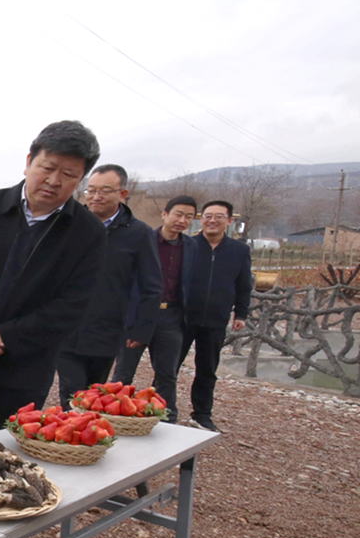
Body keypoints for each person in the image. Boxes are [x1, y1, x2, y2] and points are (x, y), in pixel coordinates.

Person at [0, 120, 107, 434]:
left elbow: (73, 305)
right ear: (28, 162)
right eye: (47, 167)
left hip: (26, 362)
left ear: (81, 179)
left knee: (14, 448)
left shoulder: (87, 232)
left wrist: (5, 337)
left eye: (68, 175)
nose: (54, 181)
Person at [54, 164, 162, 406]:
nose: (95, 197)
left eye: (104, 191)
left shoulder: (138, 233)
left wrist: (141, 328)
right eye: (90, 191)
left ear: (122, 194)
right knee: (71, 392)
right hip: (66, 324)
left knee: (95, 392)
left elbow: (151, 285)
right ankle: (69, 437)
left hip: (108, 327)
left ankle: (89, 435)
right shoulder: (69, 224)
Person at [112, 195, 199, 422]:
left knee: (167, 373)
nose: (182, 220)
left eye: (189, 216)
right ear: (165, 214)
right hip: (139, 314)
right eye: (178, 214)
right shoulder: (144, 239)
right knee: (124, 371)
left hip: (171, 315)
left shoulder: (191, 246)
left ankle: (166, 418)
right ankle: (112, 414)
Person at [179, 200, 252, 432]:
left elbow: (243, 285)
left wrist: (240, 313)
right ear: (201, 219)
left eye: (219, 216)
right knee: (169, 366)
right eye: (208, 216)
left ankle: (201, 414)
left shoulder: (239, 250)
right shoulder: (187, 244)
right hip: (182, 317)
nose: (212, 220)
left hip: (216, 319)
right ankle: (161, 409)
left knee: (207, 369)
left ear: (229, 221)